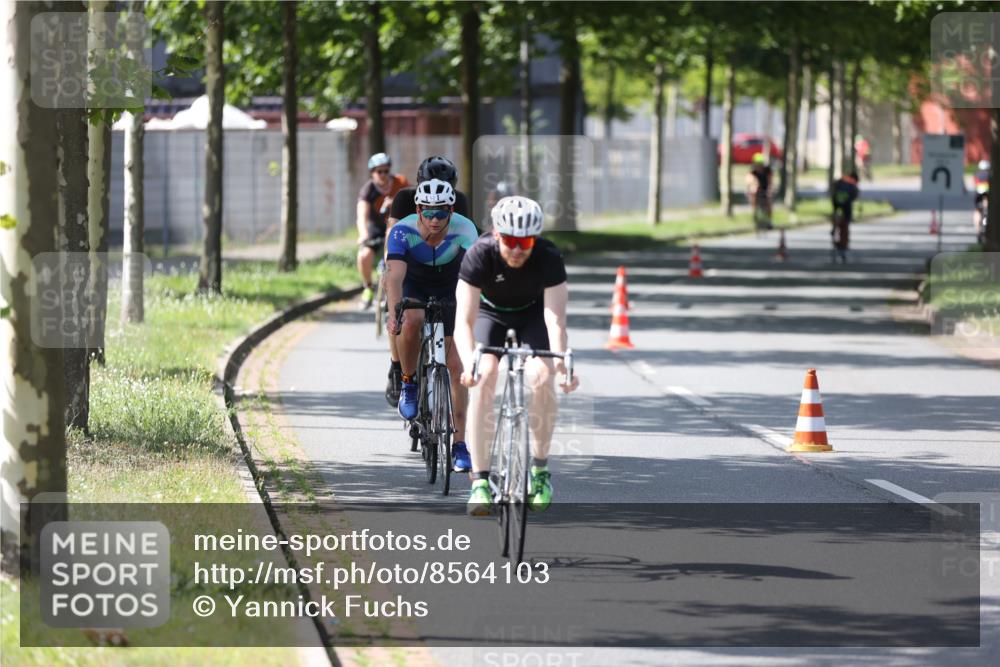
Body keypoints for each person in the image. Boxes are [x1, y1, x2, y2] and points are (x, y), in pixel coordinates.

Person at [455, 196, 579, 517]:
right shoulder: (478, 255)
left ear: (534, 238)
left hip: (532, 315)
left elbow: (555, 321)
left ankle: (539, 472)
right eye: (510, 241)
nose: (517, 249)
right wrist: (469, 364)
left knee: (542, 376)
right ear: (497, 235)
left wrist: (562, 364)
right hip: (490, 315)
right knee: (483, 376)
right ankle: (480, 481)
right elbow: (463, 323)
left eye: (525, 241)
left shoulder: (549, 257)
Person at [385, 179, 480, 472]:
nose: (435, 219)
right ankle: (409, 382)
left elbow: (475, 275)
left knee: (456, 366)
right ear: (418, 209)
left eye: (442, 212)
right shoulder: (403, 231)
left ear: (452, 210)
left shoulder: (465, 229)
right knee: (410, 320)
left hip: (452, 286)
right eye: (429, 212)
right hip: (416, 284)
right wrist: (393, 313)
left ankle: (460, 444)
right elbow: (394, 277)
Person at [384, 156, 471, 409]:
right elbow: (393, 234)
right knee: (404, 315)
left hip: (445, 268)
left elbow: (464, 240)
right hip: (407, 262)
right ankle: (397, 365)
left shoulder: (460, 201)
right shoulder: (404, 199)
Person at [357, 152, 408, 310]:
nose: (384, 175)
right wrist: (363, 234)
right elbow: (362, 216)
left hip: (397, 226)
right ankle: (368, 287)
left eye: (386, 171)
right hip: (376, 228)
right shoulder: (368, 190)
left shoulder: (401, 182)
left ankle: (394, 288)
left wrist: (397, 202)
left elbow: (413, 201)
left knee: (391, 255)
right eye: (379, 171)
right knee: (364, 255)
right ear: (372, 173)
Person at [831, 171, 860, 262]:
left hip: (836, 206)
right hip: (846, 208)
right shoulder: (852, 185)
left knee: (837, 223)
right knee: (845, 229)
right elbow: (854, 197)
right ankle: (843, 246)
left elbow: (834, 192)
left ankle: (834, 232)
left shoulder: (841, 181)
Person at [746, 153, 773, 232]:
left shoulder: (767, 170)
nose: (759, 166)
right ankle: (754, 216)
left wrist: (770, 189)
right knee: (753, 196)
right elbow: (749, 179)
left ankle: (769, 220)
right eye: (757, 164)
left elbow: (770, 180)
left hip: (765, 189)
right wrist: (752, 187)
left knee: (768, 202)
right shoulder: (752, 171)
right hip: (756, 190)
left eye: (760, 164)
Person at [973, 159, 990, 241]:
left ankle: (977, 231)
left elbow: (975, 184)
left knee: (977, 211)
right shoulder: (990, 174)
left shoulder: (976, 174)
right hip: (988, 194)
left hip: (978, 193)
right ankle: (986, 219)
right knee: (987, 206)